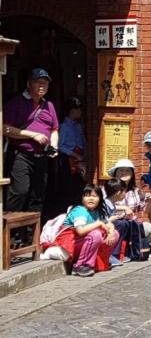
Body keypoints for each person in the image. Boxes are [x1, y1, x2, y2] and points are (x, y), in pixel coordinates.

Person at [4, 68, 60, 224]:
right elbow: (4, 129)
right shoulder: (16, 103)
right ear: (29, 84)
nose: (42, 86)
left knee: (38, 195)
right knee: (20, 192)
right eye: (38, 82)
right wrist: (32, 135)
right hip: (21, 154)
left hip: (41, 156)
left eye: (45, 83)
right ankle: (11, 232)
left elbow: (54, 130)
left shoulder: (49, 105)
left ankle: (30, 235)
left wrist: (54, 146)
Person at [63, 184, 119, 277]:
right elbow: (80, 231)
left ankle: (100, 262)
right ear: (81, 197)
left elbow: (108, 224)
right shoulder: (80, 211)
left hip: (84, 242)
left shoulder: (98, 211)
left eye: (94, 196)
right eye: (87, 196)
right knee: (96, 234)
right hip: (70, 244)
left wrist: (111, 232)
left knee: (115, 234)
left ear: (100, 199)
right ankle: (81, 265)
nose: (91, 199)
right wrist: (99, 224)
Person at [107, 159, 151, 250]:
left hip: (132, 223)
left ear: (132, 174)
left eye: (127, 170)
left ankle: (142, 249)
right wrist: (123, 207)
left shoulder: (136, 191)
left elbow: (147, 211)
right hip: (114, 222)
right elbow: (104, 204)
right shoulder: (108, 187)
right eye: (121, 170)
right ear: (116, 173)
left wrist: (149, 201)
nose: (124, 173)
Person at [56, 97, 87, 212]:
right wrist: (74, 154)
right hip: (69, 159)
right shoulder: (64, 126)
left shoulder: (78, 126)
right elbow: (60, 146)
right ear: (72, 111)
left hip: (80, 158)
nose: (80, 112)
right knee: (69, 186)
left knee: (80, 185)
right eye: (78, 110)